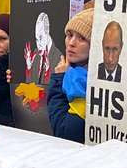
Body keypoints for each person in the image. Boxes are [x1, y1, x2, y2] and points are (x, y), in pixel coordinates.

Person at [47, 8, 93, 144]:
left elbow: (66, 133)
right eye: (69, 35)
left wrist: (59, 79)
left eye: (82, 38)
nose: (71, 43)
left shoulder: (81, 82)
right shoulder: (73, 74)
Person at [26, 12, 62, 85]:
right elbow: (30, 85)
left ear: (47, 32)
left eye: (40, 38)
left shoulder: (59, 56)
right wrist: (29, 68)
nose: (38, 44)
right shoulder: (36, 54)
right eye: (37, 39)